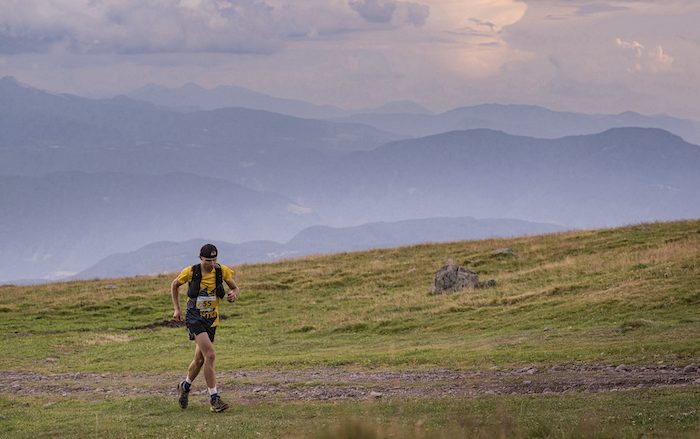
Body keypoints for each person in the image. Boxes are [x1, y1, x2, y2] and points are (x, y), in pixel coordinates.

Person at [170, 243, 240, 412]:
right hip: (194, 318)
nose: (211, 263)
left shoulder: (221, 271)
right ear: (201, 258)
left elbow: (235, 287)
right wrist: (177, 309)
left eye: (214, 259)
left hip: (211, 320)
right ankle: (214, 399)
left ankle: (185, 386)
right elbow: (174, 285)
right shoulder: (191, 271)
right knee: (210, 355)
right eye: (208, 260)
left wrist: (233, 294)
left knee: (200, 360)